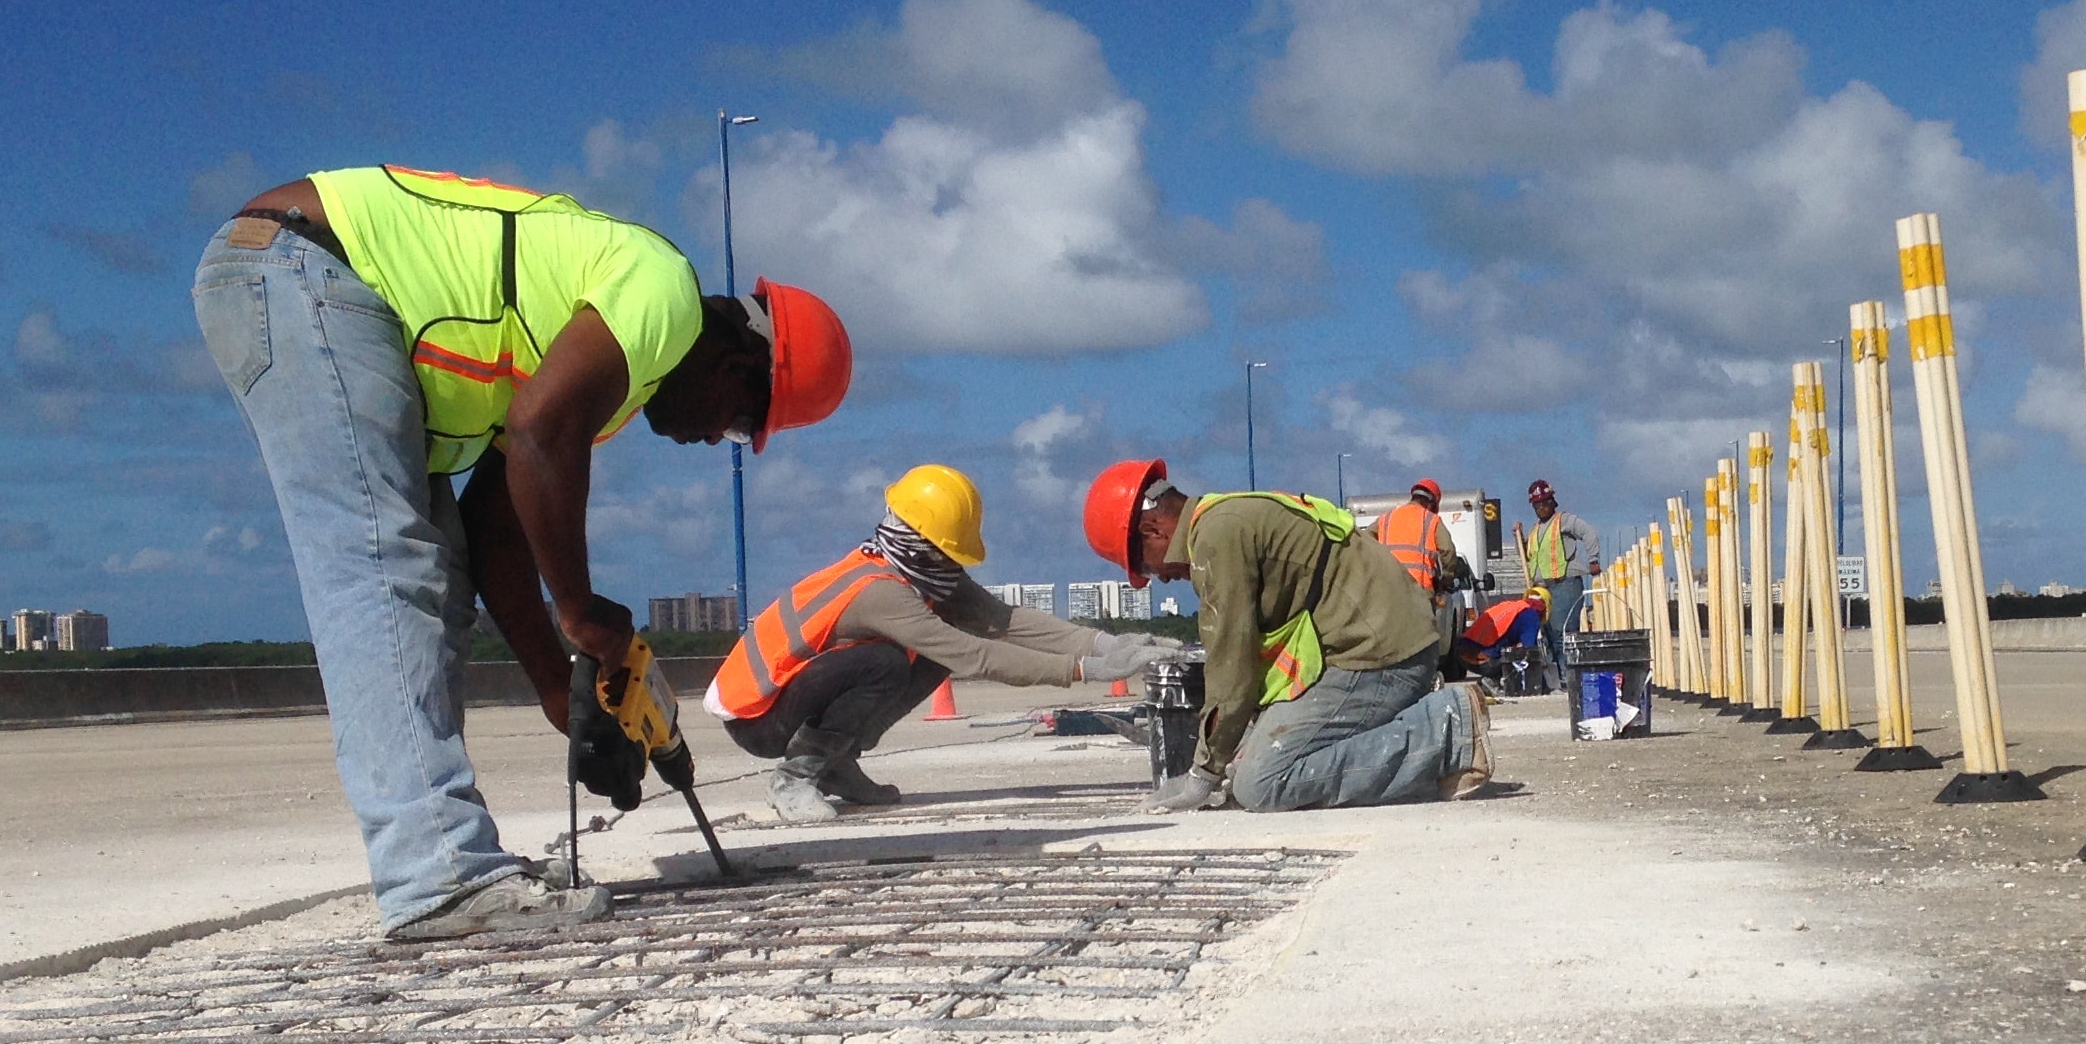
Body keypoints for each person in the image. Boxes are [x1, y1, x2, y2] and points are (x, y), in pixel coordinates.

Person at [194, 166, 850, 939]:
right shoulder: (662, 295)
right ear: (737, 361)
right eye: (740, 424)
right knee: (383, 567)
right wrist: (578, 610)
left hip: (301, 273)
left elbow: (497, 534)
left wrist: (556, 691)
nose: (716, 441)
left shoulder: (598, 369)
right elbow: (541, 431)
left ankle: (440, 863)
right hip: (305, 264)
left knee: (431, 576)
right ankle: (437, 876)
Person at [715, 464, 1184, 823]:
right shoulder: (880, 592)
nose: (953, 565)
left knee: (922, 656)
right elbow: (975, 655)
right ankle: (795, 775)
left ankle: (836, 764)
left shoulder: (918, 573)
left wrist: (1106, 644)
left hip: (790, 701)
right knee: (886, 663)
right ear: (922, 546)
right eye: (947, 553)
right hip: (760, 717)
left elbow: (1000, 620)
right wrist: (1085, 671)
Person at [1082, 459, 1493, 812]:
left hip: (1380, 657)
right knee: (1248, 762)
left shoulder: (1214, 540)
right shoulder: (1228, 517)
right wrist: (1228, 749)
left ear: (1153, 529)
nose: (1163, 579)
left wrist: (1203, 775)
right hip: (1381, 644)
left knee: (1262, 782)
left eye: (1146, 567)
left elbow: (1233, 665)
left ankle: (1446, 731)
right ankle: (1435, 733)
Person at [1511, 477, 1598, 690]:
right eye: (1537, 505)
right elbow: (1530, 557)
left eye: (1545, 503)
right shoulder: (1535, 531)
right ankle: (1558, 680)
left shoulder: (1564, 521)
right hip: (1543, 589)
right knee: (1548, 635)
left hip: (1564, 584)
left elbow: (1588, 532)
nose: (1542, 508)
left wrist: (1593, 558)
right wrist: (1519, 539)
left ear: (1552, 502)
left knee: (1564, 633)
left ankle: (1571, 679)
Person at [1366, 479, 1468, 596]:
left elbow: (1365, 539)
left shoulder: (1386, 518)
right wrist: (1446, 578)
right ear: (1432, 504)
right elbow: (1447, 550)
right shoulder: (1431, 520)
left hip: (1388, 591)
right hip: (1420, 592)